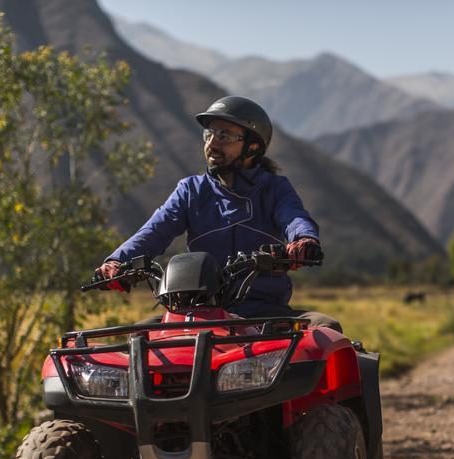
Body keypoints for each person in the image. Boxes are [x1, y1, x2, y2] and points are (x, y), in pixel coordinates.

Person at [96, 96, 340, 331]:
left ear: (252, 147)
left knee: (326, 329)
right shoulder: (190, 190)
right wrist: (116, 262)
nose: (212, 143)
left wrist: (304, 240)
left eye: (224, 136)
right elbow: (154, 231)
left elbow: (295, 216)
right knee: (140, 336)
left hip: (264, 311)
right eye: (209, 134)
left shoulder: (274, 188)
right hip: (196, 312)